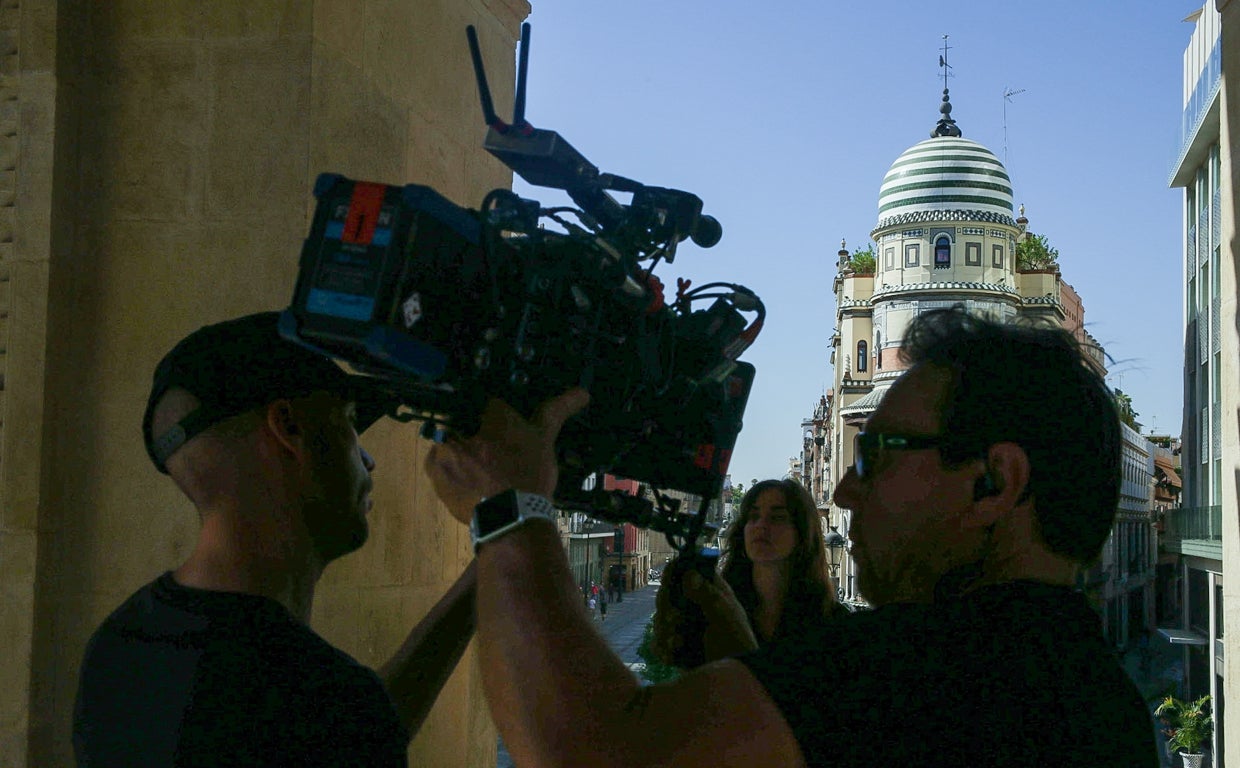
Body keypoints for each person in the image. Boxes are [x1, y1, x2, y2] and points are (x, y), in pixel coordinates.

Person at [425, 306, 1159, 767]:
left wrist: (508, 507)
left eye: (878, 453)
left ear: (994, 484)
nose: (844, 488)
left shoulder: (933, 667)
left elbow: (591, 748)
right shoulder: (1095, 697)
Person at [74, 312, 478, 767]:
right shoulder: (306, 693)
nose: (368, 461)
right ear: (289, 427)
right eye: (346, 420)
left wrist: (486, 573)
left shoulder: (119, 650)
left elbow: (350, 732)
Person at [652, 479, 845, 668]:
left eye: (777, 518)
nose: (761, 525)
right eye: (753, 517)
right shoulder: (713, 605)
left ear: (802, 533)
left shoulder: (833, 624)